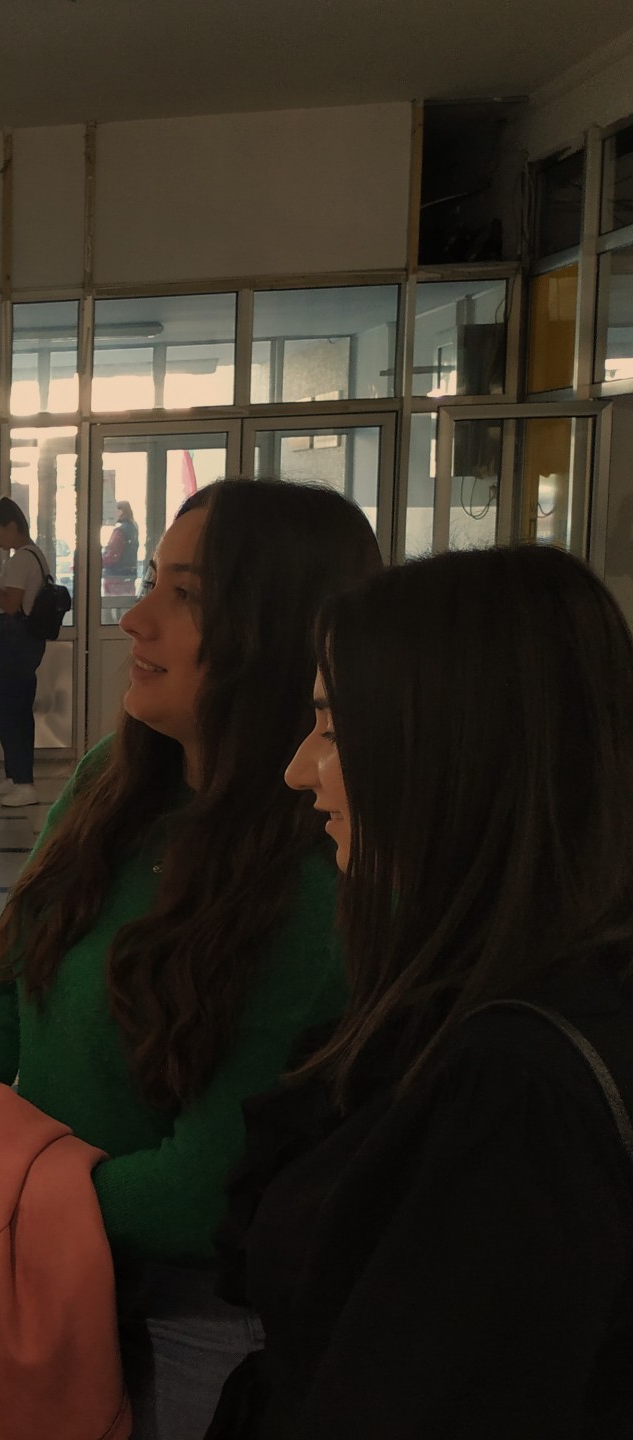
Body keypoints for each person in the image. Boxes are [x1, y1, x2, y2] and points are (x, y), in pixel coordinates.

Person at [0, 480, 383, 1440]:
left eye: (187, 595)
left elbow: (201, 1189)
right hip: (50, 1262)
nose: (135, 618)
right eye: (152, 582)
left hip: (183, 1319)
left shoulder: (312, 875)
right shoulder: (114, 778)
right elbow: (2, 976)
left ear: (274, 633)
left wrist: (0, 1197)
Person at [210, 545, 633, 1439]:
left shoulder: (517, 1092)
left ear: (454, 746)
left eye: (334, 730)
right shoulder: (484, 989)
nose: (299, 769)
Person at [0, 497, 49, 806]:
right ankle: (14, 774)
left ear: (12, 526)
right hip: (27, 641)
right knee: (13, 708)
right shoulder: (36, 555)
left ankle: (24, 783)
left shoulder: (21, 560)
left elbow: (11, 605)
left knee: (11, 710)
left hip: (17, 640)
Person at [103, 500, 141, 587]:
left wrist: (98, 561)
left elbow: (113, 555)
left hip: (115, 577)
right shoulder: (134, 527)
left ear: (121, 512)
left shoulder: (120, 531)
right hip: (130, 574)